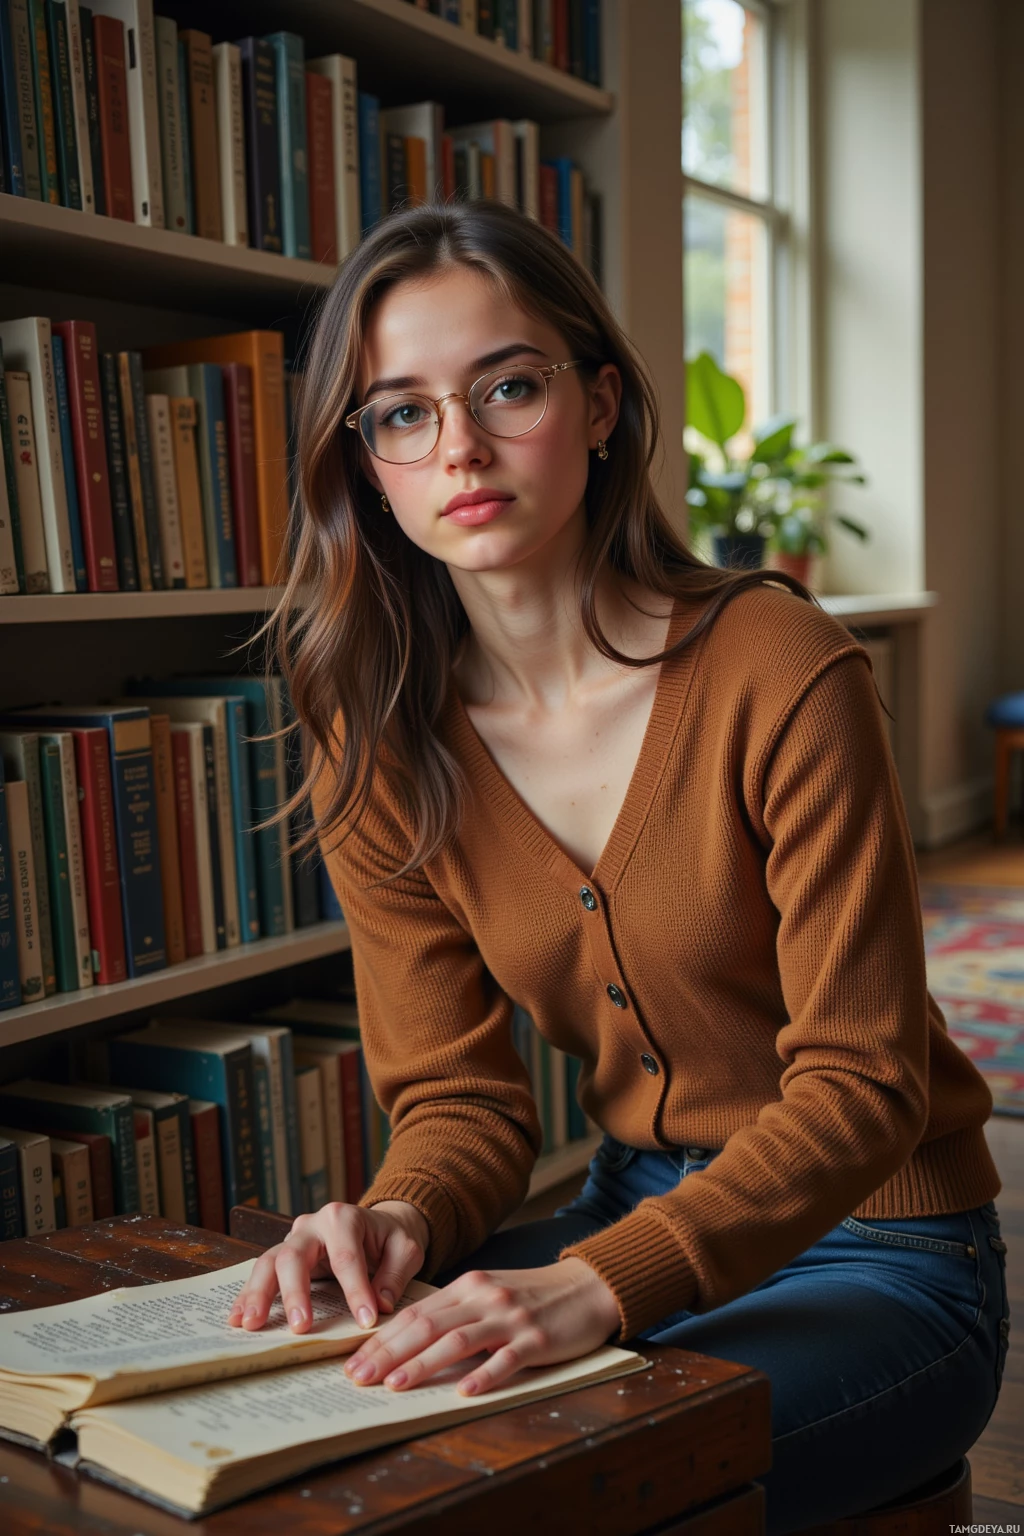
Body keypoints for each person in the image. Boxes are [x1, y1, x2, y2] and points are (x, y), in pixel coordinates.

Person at [228, 202, 1009, 1533]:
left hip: (885, 1255)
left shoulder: (778, 667)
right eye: (402, 413)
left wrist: (600, 1285)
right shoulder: (380, 739)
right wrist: (404, 1218)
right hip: (626, 1212)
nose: (460, 446)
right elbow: (464, 1104)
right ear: (363, 464)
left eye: (508, 387)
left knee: (526, 1502)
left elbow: (866, 1087)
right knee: (330, 1463)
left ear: (597, 406)